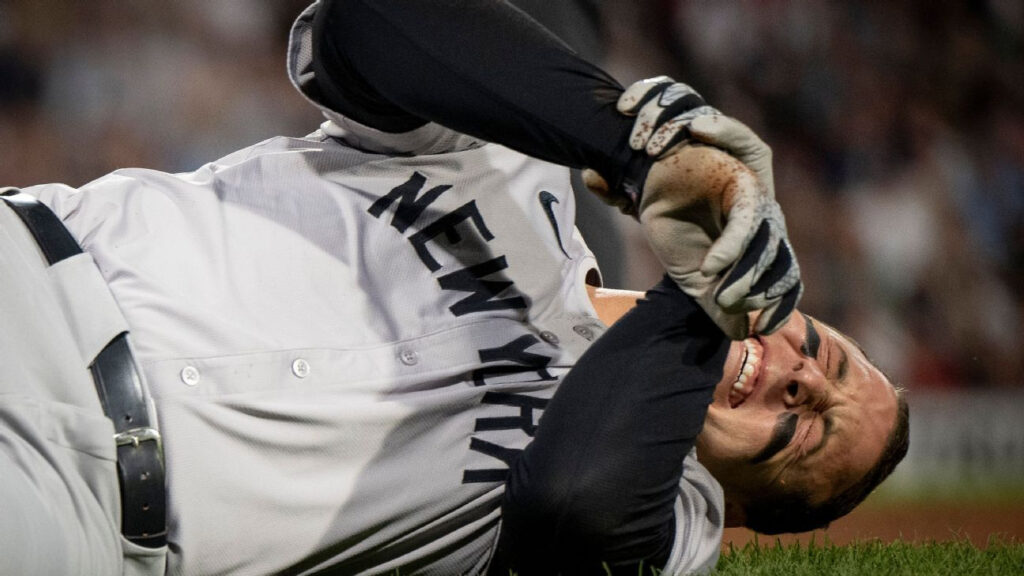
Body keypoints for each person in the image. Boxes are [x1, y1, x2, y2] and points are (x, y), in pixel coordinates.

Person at [0, 1, 908, 575]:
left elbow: (574, 505)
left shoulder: (671, 527)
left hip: (76, 517)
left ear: (750, 510)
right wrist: (630, 147)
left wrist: (701, 296)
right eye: (826, 357)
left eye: (805, 427)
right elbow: (367, 25)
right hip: (31, 274)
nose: (802, 379)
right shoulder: (523, 178)